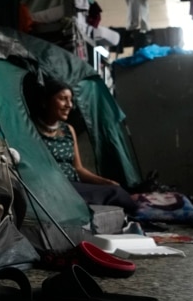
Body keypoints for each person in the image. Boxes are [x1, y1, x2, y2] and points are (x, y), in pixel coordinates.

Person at [29, 75, 138, 213]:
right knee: (113, 196)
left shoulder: (68, 130)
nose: (69, 105)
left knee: (116, 191)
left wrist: (105, 182)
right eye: (63, 99)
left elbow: (78, 169)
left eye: (71, 100)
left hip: (75, 186)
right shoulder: (31, 130)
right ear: (46, 101)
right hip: (52, 187)